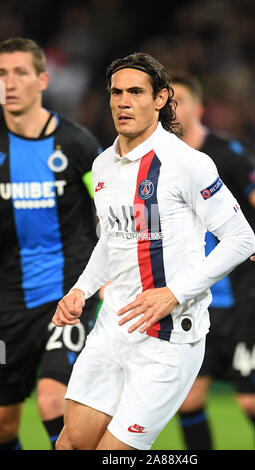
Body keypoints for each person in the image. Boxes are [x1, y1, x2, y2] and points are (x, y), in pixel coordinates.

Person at [52, 52, 255, 451]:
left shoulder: (188, 163)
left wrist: (175, 294)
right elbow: (112, 240)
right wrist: (81, 290)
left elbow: (240, 239)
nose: (123, 101)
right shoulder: (104, 165)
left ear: (161, 98)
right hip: (111, 329)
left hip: (168, 338)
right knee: (70, 445)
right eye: (115, 92)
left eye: (135, 92)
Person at [171, 73, 255, 450]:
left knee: (251, 401)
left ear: (200, 108)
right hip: (198, 299)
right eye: (168, 100)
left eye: (181, 100)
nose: (173, 108)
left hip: (248, 296)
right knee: (189, 399)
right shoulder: (161, 160)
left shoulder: (227, 154)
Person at [0, 37, 102, 450]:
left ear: (42, 79)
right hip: (8, 302)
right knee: (4, 424)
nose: (9, 83)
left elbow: (113, 209)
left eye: (20, 73)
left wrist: (111, 276)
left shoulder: (77, 144)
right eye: (2, 74)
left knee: (52, 399)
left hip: (69, 295)